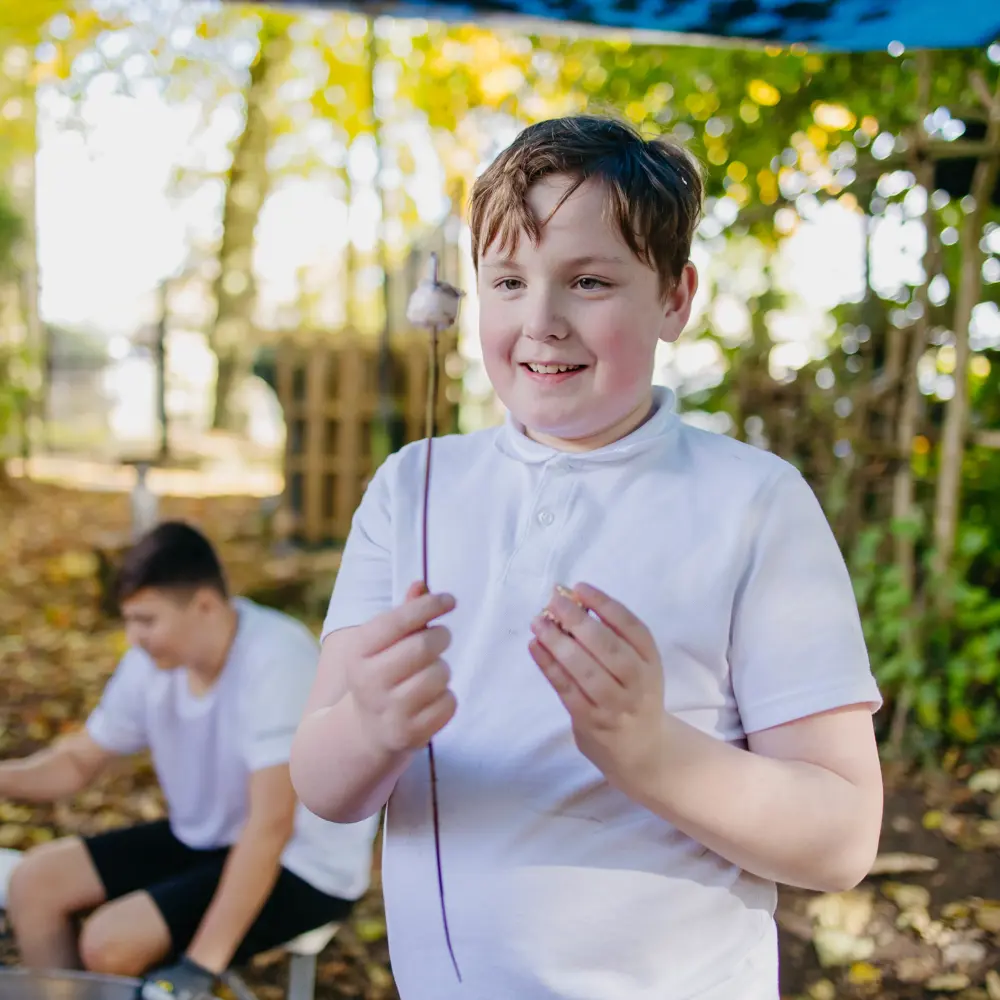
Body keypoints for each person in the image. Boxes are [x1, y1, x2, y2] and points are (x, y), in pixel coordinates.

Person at [289, 114, 884, 1000]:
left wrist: (649, 749)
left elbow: (841, 840)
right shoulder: (412, 487)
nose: (542, 321)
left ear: (676, 299)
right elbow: (324, 786)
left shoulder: (753, 503)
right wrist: (368, 728)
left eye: (590, 281)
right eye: (509, 281)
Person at [2, 521, 379, 998]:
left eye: (147, 620)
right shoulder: (151, 661)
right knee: (33, 884)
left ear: (204, 605)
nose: (133, 636)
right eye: (130, 620)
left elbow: (271, 826)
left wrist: (201, 965)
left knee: (109, 943)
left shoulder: (276, 659)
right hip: (211, 837)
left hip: (304, 863)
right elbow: (76, 763)